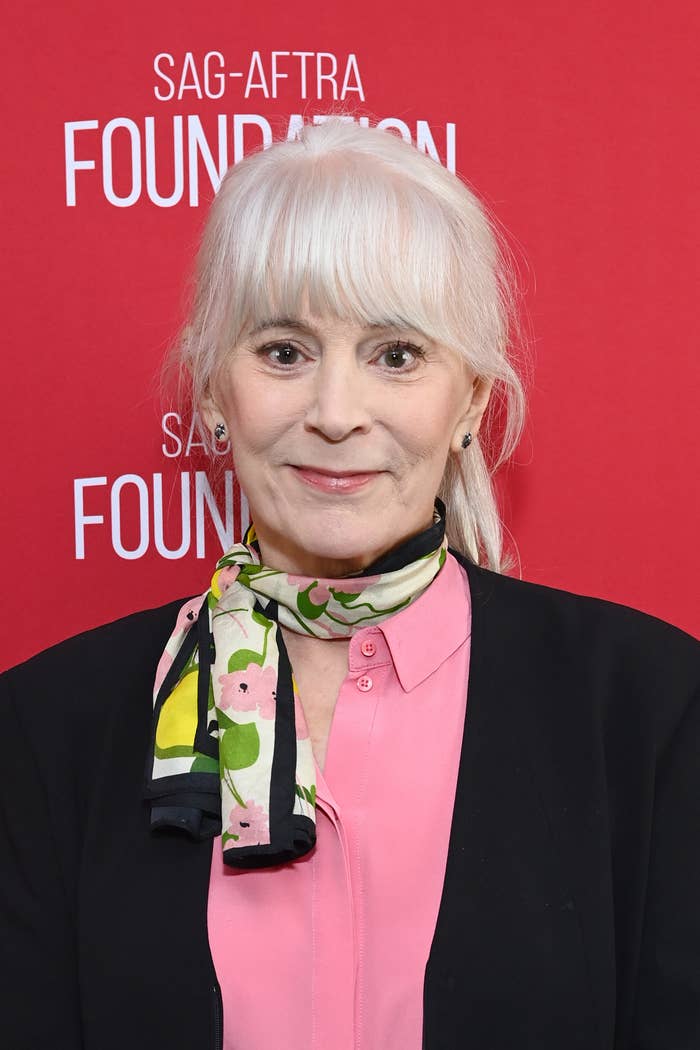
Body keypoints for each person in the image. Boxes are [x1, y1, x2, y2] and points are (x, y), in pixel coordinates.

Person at [1, 119, 698, 1050]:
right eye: (284, 352)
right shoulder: (47, 730)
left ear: (471, 405)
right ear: (214, 392)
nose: (336, 414)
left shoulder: (650, 709)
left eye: (397, 355)